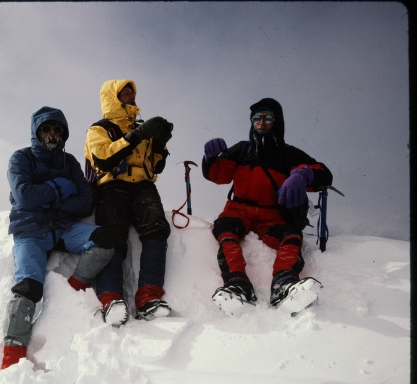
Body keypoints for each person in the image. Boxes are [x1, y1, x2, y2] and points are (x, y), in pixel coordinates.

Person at [1, 106, 117, 369]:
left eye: (57, 129)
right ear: (36, 132)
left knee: (108, 238)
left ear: (64, 134)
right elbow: (23, 196)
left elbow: (85, 203)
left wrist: (48, 201)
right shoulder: (21, 158)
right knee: (28, 287)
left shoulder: (70, 163)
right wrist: (58, 189)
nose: (52, 133)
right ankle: (12, 355)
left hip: (63, 229)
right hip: (30, 230)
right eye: (46, 128)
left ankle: (74, 287)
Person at [202, 97, 333, 316]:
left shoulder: (289, 154)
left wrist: (304, 173)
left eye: (268, 118)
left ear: (277, 122)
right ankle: (237, 284)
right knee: (226, 233)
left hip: (272, 215)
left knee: (291, 237)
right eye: (256, 119)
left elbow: (324, 174)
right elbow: (218, 175)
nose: (261, 123)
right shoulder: (241, 150)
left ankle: (284, 284)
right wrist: (211, 159)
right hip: (238, 210)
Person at [84, 80, 174, 326]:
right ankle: (110, 296)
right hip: (112, 185)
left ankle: (149, 296)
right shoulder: (99, 129)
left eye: (131, 93)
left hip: (144, 185)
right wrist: (138, 135)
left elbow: (156, 166)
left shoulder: (141, 128)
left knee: (157, 227)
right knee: (113, 235)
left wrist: (159, 145)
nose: (130, 97)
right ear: (112, 97)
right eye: (124, 93)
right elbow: (103, 158)